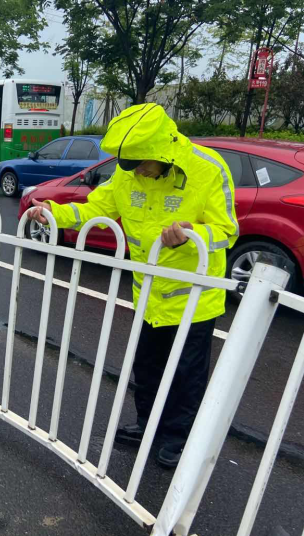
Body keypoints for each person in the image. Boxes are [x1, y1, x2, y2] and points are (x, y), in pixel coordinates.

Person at [28, 103, 238, 468]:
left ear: (163, 152)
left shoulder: (208, 169)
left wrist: (193, 235)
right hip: (148, 297)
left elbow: (227, 232)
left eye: (142, 161)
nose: (136, 169)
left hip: (193, 301)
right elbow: (95, 209)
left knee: (186, 375)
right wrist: (52, 212)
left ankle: (178, 438)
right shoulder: (128, 177)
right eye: (129, 162)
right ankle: (147, 424)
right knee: (147, 367)